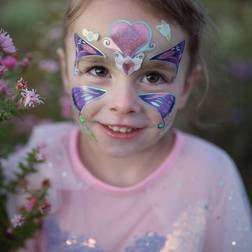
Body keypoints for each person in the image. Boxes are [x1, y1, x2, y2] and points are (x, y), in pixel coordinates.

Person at [3, 0, 252, 251]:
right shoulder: (38, 165)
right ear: (66, 73)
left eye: (153, 77)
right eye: (99, 70)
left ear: (186, 86)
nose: (123, 104)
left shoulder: (211, 175)